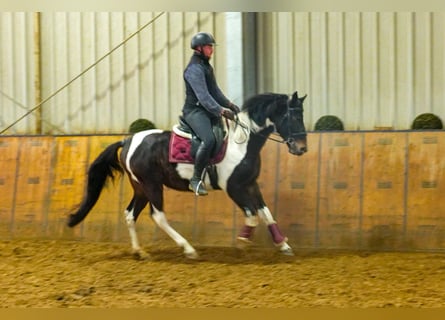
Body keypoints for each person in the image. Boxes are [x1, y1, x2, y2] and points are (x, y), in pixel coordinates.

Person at [182, 32, 240, 196]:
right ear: (199, 48)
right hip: (195, 111)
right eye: (209, 46)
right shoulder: (194, 69)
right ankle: (195, 179)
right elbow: (204, 96)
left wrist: (229, 104)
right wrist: (221, 111)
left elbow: (214, 91)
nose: (211, 50)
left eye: (211, 46)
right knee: (208, 139)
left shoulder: (206, 67)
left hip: (207, 110)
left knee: (223, 135)